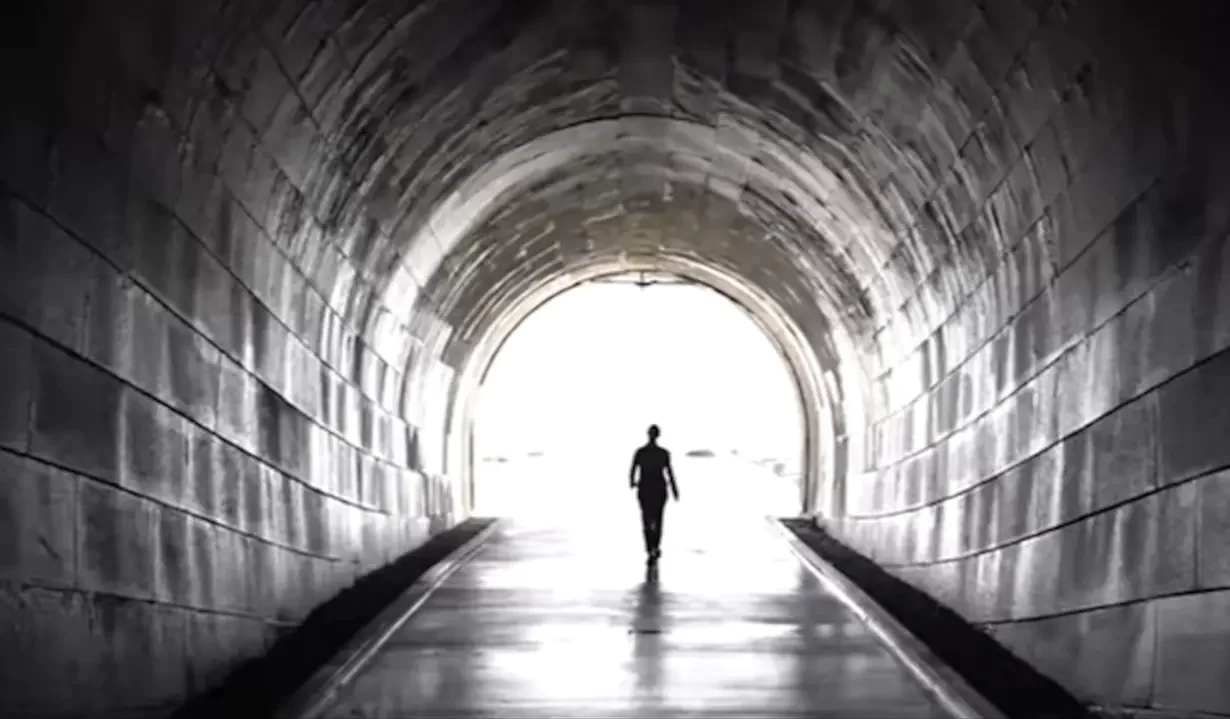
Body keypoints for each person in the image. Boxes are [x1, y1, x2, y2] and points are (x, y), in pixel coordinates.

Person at [629, 424, 679, 563]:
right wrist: (675, 489)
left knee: (646, 518)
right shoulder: (663, 453)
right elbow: (669, 472)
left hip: (645, 488)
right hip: (659, 488)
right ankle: (655, 546)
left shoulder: (640, 452)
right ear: (658, 435)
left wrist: (632, 482)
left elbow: (633, 469)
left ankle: (650, 547)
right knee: (658, 519)